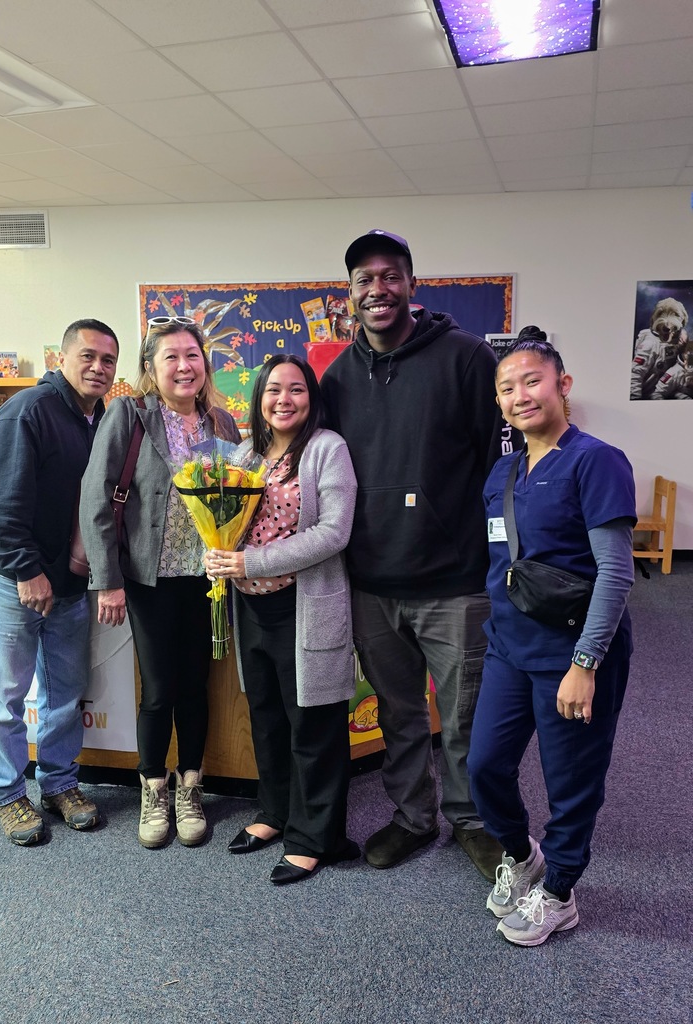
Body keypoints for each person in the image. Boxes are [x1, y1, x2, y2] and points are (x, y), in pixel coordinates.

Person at [320, 229, 503, 879]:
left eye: (390, 275)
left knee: (464, 715)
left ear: (412, 284)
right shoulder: (337, 378)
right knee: (398, 715)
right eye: (364, 280)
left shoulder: (467, 357)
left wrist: (498, 560)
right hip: (372, 581)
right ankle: (413, 817)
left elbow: (497, 465)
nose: (378, 289)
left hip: (456, 581)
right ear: (350, 294)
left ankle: (475, 820)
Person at [468, 329, 635, 946]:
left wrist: (585, 663)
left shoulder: (596, 461)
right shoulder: (503, 471)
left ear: (562, 385)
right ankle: (522, 855)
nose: (520, 395)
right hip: (509, 649)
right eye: (507, 387)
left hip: (574, 655)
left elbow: (616, 573)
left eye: (532, 381)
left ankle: (560, 892)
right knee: (484, 766)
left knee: (571, 783)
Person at [79, 316, 240, 850]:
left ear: (204, 364)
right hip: (149, 579)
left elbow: (241, 492)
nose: (184, 366)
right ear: (151, 367)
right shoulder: (129, 414)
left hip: (207, 579)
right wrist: (107, 581)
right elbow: (96, 497)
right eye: (171, 357)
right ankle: (154, 788)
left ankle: (191, 787)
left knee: (196, 686)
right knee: (159, 689)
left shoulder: (222, 423)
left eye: (192, 355)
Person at [204, 355, 360, 885]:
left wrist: (251, 562)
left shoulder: (327, 449)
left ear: (311, 398)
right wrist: (216, 551)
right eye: (274, 389)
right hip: (251, 606)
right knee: (267, 716)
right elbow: (224, 520)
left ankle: (315, 837)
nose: (283, 400)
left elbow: (334, 532)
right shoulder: (245, 453)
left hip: (305, 605)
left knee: (312, 722)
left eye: (296, 389)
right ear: (259, 398)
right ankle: (274, 812)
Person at [0, 318, 120, 845]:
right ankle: (8, 793)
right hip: (15, 579)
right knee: (7, 693)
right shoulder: (28, 410)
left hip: (69, 582)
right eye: (88, 356)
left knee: (65, 691)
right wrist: (27, 570)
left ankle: (59, 783)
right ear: (62, 358)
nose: (98, 367)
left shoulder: (101, 418)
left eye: (108, 360)